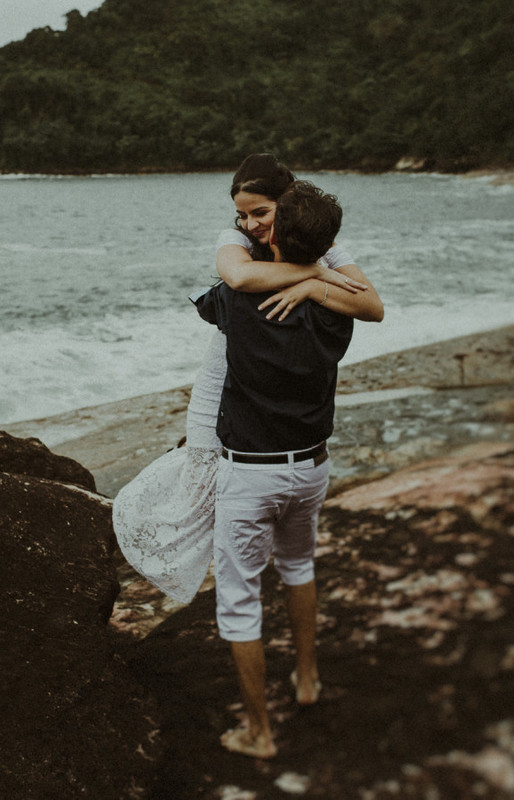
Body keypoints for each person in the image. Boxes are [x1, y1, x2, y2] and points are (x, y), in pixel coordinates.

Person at [113, 156, 381, 606]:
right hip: (228, 380)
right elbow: (237, 275)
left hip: (265, 423)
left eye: (261, 212)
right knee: (198, 496)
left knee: (262, 552)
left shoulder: (323, 245)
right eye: (242, 213)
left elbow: (372, 305)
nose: (249, 223)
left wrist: (316, 286)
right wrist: (315, 273)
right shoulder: (239, 240)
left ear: (290, 204)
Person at [193, 179, 375, 759]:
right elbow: (370, 300)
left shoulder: (237, 298)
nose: (250, 227)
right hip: (312, 467)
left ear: (272, 235)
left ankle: (259, 732)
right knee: (298, 565)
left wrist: (262, 254)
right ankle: (307, 679)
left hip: (251, 473)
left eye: (259, 221)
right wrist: (319, 274)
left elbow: (227, 280)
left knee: (240, 600)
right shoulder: (339, 298)